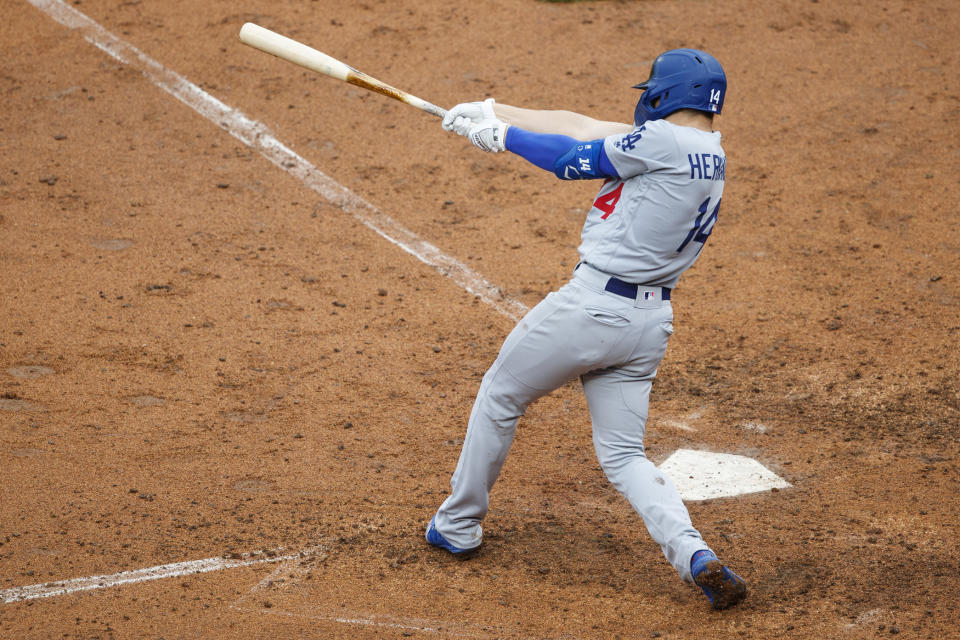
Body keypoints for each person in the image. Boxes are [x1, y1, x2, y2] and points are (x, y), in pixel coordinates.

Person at [425, 49, 747, 610]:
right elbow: (582, 125)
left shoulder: (662, 143)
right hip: (649, 324)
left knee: (501, 394)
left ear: (665, 94)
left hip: (591, 309)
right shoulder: (704, 152)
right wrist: (493, 107)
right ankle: (694, 552)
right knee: (624, 455)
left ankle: (458, 524)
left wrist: (502, 136)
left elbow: (572, 157)